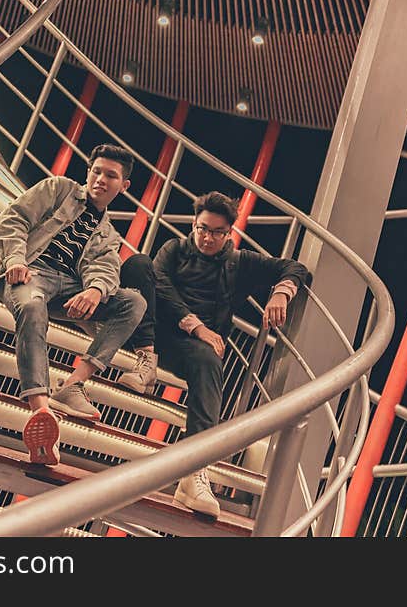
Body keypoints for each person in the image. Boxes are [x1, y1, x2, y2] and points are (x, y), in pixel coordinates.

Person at [118, 191, 310, 516]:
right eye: (202, 229)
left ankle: (195, 471)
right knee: (138, 264)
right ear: (194, 224)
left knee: (209, 360)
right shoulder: (174, 250)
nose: (207, 238)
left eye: (217, 232)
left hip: (192, 350)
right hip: (152, 334)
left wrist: (280, 294)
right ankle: (145, 363)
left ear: (229, 234)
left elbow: (295, 267)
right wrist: (196, 326)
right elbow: (160, 287)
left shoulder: (240, 263)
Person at [0, 144, 146, 465]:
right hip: (29, 268)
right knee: (32, 307)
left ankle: (74, 384)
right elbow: (14, 218)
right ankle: (42, 413)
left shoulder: (108, 234)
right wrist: (16, 259)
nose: (100, 179)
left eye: (110, 176)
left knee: (133, 302)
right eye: (96, 171)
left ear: (123, 186)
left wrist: (96, 291)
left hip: (66, 288)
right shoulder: (59, 189)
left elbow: (104, 268)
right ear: (88, 173)